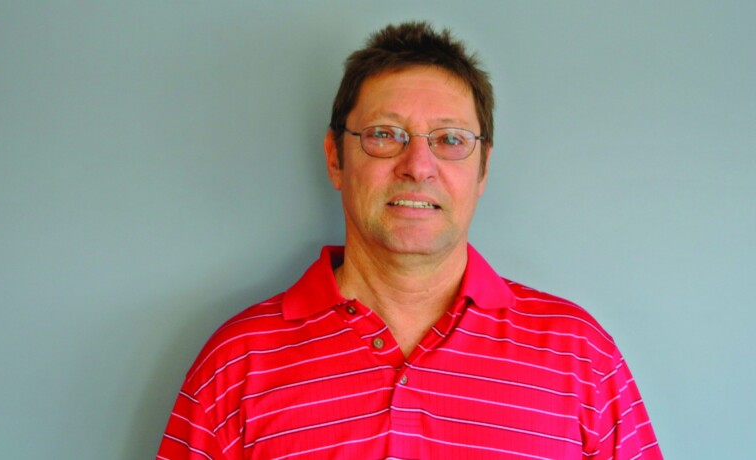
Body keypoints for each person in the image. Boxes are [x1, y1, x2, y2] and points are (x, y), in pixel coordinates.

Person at [157, 21, 662, 459]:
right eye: (384, 134)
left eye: (450, 140)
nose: (418, 166)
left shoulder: (579, 357)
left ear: (483, 168)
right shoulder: (237, 363)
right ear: (336, 158)